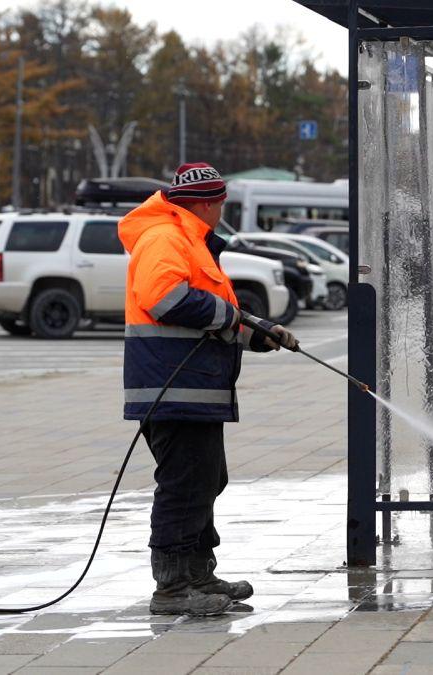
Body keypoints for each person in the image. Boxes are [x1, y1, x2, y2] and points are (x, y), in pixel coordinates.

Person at [117, 162, 297, 617]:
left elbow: (210, 315)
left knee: (207, 480)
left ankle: (199, 574)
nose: (222, 211)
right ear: (204, 204)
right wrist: (234, 317)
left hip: (191, 386)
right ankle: (173, 587)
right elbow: (166, 299)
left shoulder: (190, 241)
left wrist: (258, 334)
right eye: (220, 204)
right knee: (184, 485)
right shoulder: (165, 238)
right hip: (172, 386)